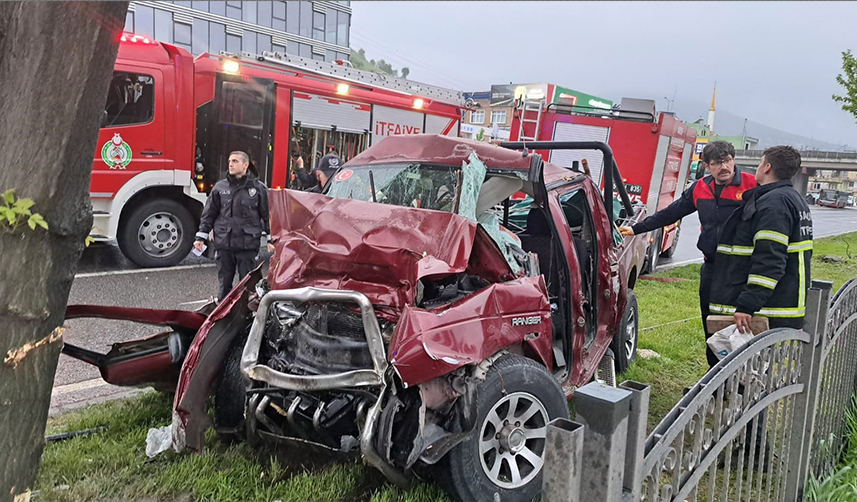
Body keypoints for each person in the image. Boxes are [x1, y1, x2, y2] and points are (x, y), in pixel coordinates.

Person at [618, 141, 757, 366]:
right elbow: (671, 213)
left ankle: (742, 372)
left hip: (743, 268)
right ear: (707, 166)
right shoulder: (701, 188)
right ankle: (715, 373)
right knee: (710, 321)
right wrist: (636, 228)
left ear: (733, 160)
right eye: (717, 163)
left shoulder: (752, 185)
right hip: (712, 267)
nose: (724, 167)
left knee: (741, 321)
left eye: (728, 160)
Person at [708, 146, 812, 333]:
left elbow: (770, 258)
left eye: (760, 163)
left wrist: (747, 305)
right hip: (777, 306)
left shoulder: (774, 204)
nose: (757, 168)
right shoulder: (793, 199)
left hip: (766, 310)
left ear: (767, 167)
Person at [194, 151, 275, 301]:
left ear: (245, 165)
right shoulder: (220, 187)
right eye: (230, 161)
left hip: (247, 245)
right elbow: (209, 214)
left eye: (235, 161)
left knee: (248, 286)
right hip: (225, 244)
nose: (230, 164)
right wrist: (200, 236)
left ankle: (246, 318)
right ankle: (223, 318)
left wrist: (271, 239)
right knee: (224, 285)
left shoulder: (258, 188)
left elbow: (266, 215)